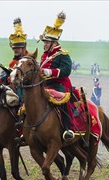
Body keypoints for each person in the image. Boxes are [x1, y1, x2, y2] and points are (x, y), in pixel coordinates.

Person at [39, 11, 74, 141]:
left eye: (47, 42)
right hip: (46, 84)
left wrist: (50, 72)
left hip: (60, 84)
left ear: (54, 43)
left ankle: (67, 128)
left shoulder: (63, 54)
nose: (45, 44)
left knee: (62, 99)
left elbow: (66, 70)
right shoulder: (45, 56)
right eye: (45, 42)